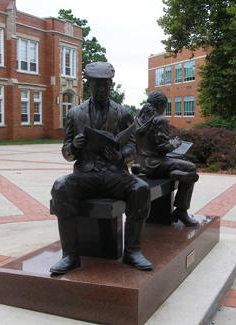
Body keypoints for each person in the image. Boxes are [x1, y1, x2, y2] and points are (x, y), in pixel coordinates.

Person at [50, 62, 153, 275]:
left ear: (111, 85)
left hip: (114, 174)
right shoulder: (75, 114)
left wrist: (121, 155)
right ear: (89, 85)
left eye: (105, 85)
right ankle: (70, 255)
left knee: (141, 189)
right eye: (97, 85)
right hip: (86, 174)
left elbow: (133, 147)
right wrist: (74, 147)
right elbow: (66, 153)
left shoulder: (123, 112)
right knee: (61, 186)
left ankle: (132, 251)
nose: (101, 90)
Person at [135, 91, 199, 227]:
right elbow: (163, 147)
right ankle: (181, 210)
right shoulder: (160, 120)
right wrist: (175, 144)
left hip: (141, 165)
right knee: (191, 168)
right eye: (165, 106)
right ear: (160, 105)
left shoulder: (138, 120)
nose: (165, 109)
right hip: (155, 165)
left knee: (179, 167)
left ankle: (173, 173)